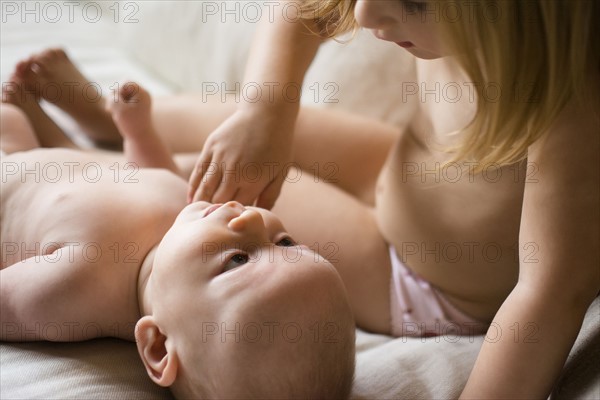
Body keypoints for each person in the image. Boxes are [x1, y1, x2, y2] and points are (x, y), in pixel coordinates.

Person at [180, 0, 597, 398]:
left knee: (194, 186)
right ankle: (119, 119)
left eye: (415, 2)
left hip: (417, 276)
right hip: (400, 170)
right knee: (240, 131)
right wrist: (266, 110)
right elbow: (304, 10)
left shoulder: (572, 104)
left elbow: (550, 294)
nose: (364, 13)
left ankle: (130, 160)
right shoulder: (455, 24)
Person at [0, 72, 356, 399]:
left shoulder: (73, 287)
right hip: (23, 153)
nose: (252, 221)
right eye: (285, 243)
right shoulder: (188, 221)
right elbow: (157, 175)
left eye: (237, 260)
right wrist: (138, 132)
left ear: (157, 346)